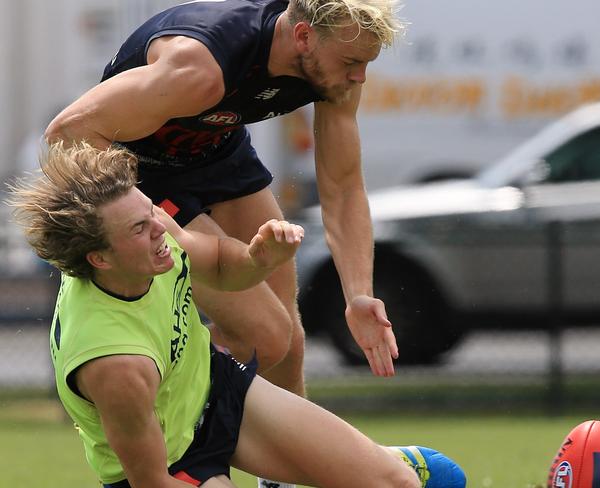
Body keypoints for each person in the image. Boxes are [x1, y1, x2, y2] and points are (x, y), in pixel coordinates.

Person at [8, 142, 466, 488]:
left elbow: (222, 267)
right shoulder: (116, 363)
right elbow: (153, 483)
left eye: (150, 213)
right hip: (171, 463)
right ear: (100, 260)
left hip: (218, 389)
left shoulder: (150, 236)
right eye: (139, 228)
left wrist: (260, 258)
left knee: (411, 481)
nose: (159, 229)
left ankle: (374, 462)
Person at [44, 1, 405, 408]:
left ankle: (277, 472)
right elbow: (67, 133)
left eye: (367, 63)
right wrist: (141, 212)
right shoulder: (200, 66)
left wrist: (357, 295)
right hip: (141, 170)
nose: (359, 76)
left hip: (217, 154)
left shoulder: (334, 73)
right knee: (265, 337)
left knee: (288, 344)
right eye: (352, 61)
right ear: (303, 36)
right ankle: (136, 394)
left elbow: (342, 187)